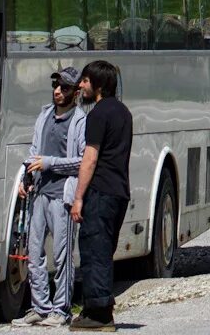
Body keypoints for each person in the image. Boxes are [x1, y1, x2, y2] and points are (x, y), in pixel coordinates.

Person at [18, 67, 88, 327]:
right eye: (56, 86)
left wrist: (50, 163)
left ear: (76, 93)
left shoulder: (79, 121)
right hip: (40, 193)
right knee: (34, 252)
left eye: (64, 88)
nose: (58, 91)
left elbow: (82, 161)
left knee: (62, 255)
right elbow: (34, 151)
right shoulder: (44, 115)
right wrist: (26, 175)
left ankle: (62, 309)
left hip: (62, 196)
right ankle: (39, 306)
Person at [69, 61, 131, 331]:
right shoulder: (124, 112)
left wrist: (79, 197)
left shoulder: (97, 115)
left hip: (101, 192)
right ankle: (97, 308)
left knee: (94, 251)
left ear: (99, 85)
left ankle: (100, 315)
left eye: (85, 81)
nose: (81, 86)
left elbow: (90, 158)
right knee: (104, 251)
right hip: (119, 191)